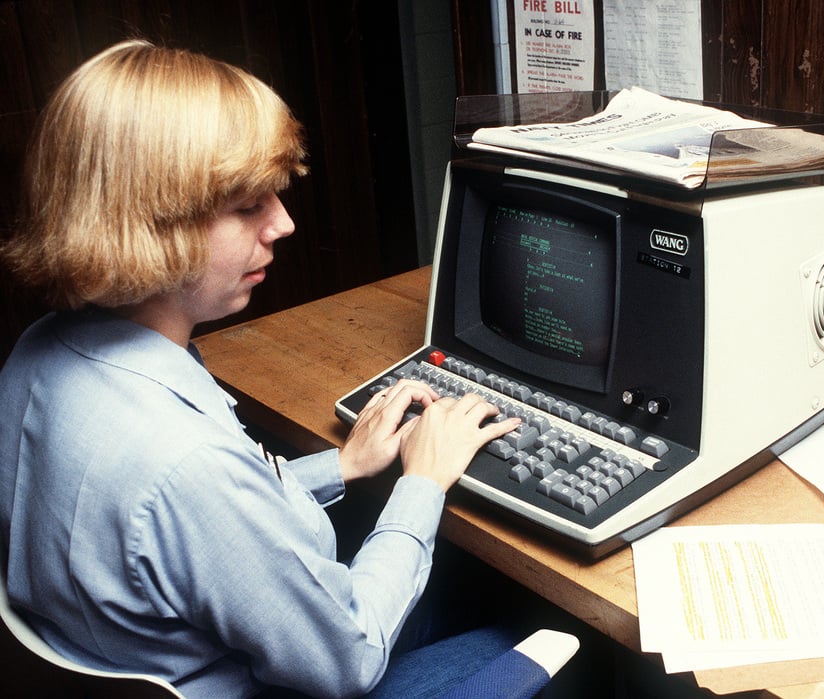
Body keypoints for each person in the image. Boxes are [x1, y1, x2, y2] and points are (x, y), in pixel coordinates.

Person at [0, 39, 527, 698]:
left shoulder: (37, 354)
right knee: (541, 626)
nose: (284, 223)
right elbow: (349, 658)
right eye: (248, 205)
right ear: (151, 224)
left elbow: (187, 533)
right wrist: (422, 480)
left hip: (121, 648)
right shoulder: (185, 465)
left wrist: (340, 467)